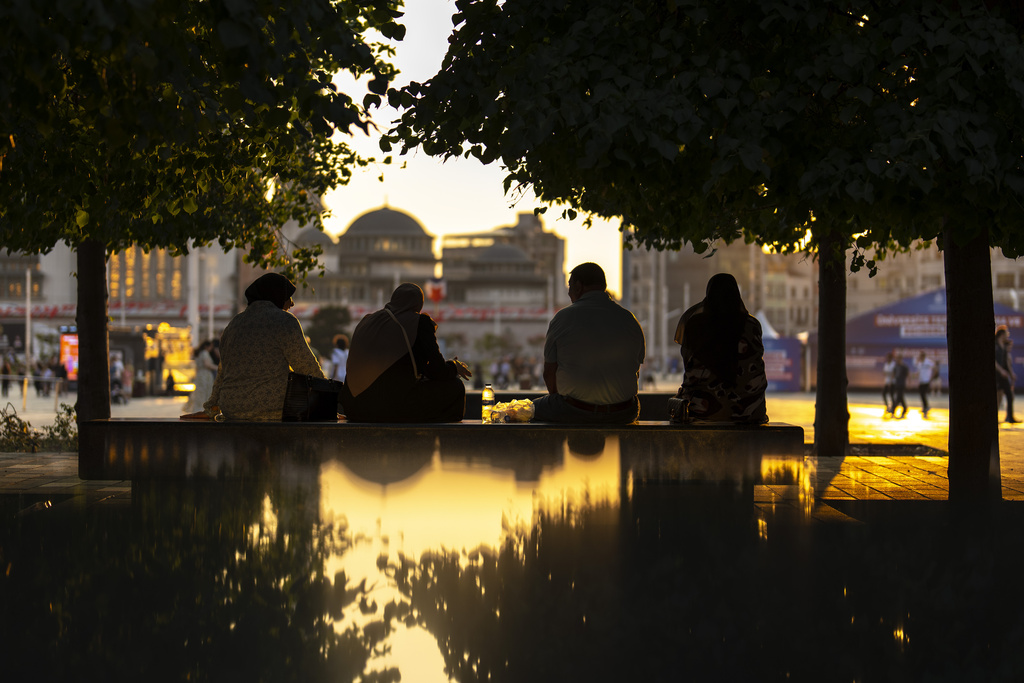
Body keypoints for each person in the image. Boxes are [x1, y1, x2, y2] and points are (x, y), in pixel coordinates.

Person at [187, 273, 324, 421]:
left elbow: (222, 372)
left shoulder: (234, 324)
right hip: (272, 409)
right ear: (277, 296)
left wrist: (211, 407)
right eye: (288, 297)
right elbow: (307, 367)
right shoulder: (284, 321)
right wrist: (328, 402)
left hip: (232, 409)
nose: (292, 303)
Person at [532, 263, 645, 424]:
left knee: (529, 409)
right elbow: (634, 369)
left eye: (570, 286)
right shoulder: (630, 320)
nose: (569, 292)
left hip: (574, 410)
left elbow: (549, 372)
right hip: (623, 412)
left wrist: (563, 400)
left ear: (578, 286)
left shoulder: (562, 318)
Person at [340, 283, 471, 422]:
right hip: (389, 407)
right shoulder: (419, 322)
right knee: (455, 387)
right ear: (419, 304)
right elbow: (437, 371)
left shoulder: (367, 321)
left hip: (354, 408)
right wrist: (453, 366)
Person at [671, 273, 768, 423]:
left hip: (704, 412)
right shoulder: (752, 325)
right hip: (750, 412)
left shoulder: (696, 325)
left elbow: (689, 371)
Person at [183, 340, 216, 413]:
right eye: (210, 346)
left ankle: (198, 408)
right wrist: (217, 367)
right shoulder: (205, 353)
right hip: (205, 375)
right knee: (205, 392)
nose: (211, 348)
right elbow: (207, 364)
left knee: (199, 392)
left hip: (200, 375)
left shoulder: (199, 354)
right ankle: (203, 408)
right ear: (206, 346)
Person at [996, 325, 1019, 423]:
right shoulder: (995, 345)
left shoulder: (1004, 346)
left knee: (1009, 395)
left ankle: (1010, 417)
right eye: (1006, 333)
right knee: (998, 396)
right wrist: (1001, 370)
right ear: (1001, 334)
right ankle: (995, 417)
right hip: (997, 375)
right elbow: (994, 361)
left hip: (1004, 376)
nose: (1007, 335)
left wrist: (1011, 373)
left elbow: (1006, 362)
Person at [915, 351, 935, 418]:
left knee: (923, 394)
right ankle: (925, 406)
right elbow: (919, 372)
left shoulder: (928, 362)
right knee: (921, 394)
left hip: (926, 381)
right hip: (921, 381)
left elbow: (935, 368)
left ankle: (926, 406)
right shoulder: (920, 363)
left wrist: (931, 378)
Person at [892, 351, 909, 419]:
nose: (897, 360)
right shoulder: (896, 366)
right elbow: (894, 374)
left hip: (902, 384)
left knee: (899, 397)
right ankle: (904, 409)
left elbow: (907, 375)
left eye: (898, 358)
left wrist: (908, 382)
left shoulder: (904, 367)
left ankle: (893, 409)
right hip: (897, 383)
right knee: (900, 397)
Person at [881, 350, 896, 415]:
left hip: (892, 382)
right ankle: (887, 406)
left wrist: (890, 381)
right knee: (884, 394)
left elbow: (893, 373)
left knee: (891, 395)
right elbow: (884, 372)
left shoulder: (893, 364)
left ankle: (893, 408)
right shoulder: (886, 364)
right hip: (887, 382)